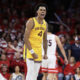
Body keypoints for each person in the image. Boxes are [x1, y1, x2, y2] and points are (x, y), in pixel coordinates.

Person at [23, 3, 48, 80]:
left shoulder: (45, 24)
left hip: (39, 50)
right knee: (30, 72)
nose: (43, 11)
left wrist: (45, 53)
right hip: (29, 49)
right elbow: (25, 38)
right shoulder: (31, 21)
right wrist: (32, 52)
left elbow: (45, 40)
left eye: (44, 10)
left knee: (35, 74)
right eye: (41, 10)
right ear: (37, 11)